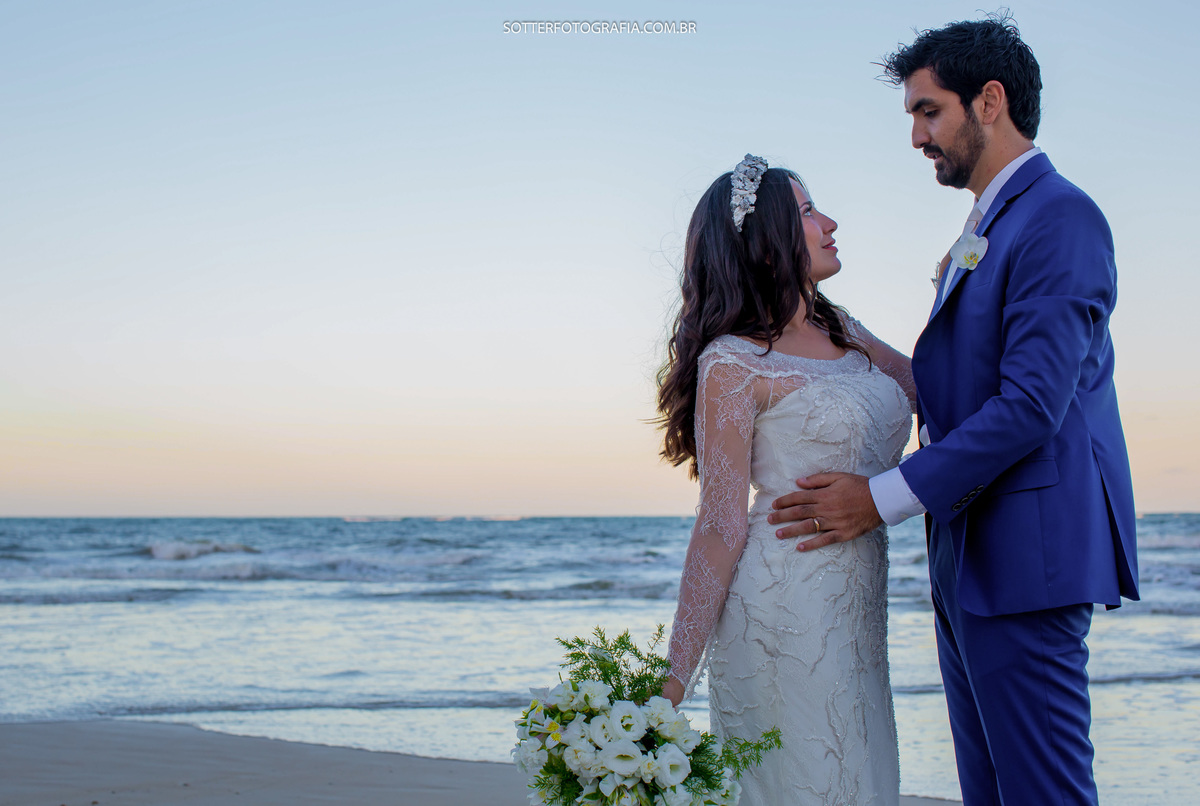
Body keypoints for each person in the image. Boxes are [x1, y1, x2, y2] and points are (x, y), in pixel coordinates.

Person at [768, 16, 1140, 805]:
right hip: (968, 556)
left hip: (1029, 560)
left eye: (928, 111)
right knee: (991, 792)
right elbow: (954, 389)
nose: (916, 136)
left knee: (1042, 793)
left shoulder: (1059, 218)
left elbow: (1032, 406)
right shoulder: (988, 224)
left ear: (990, 101)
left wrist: (879, 498)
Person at [657, 154, 916, 805]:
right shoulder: (732, 363)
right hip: (778, 614)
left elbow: (930, 389)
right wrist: (670, 687)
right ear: (768, 242)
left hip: (855, 614)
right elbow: (719, 524)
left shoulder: (843, 329)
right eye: (806, 211)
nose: (829, 223)